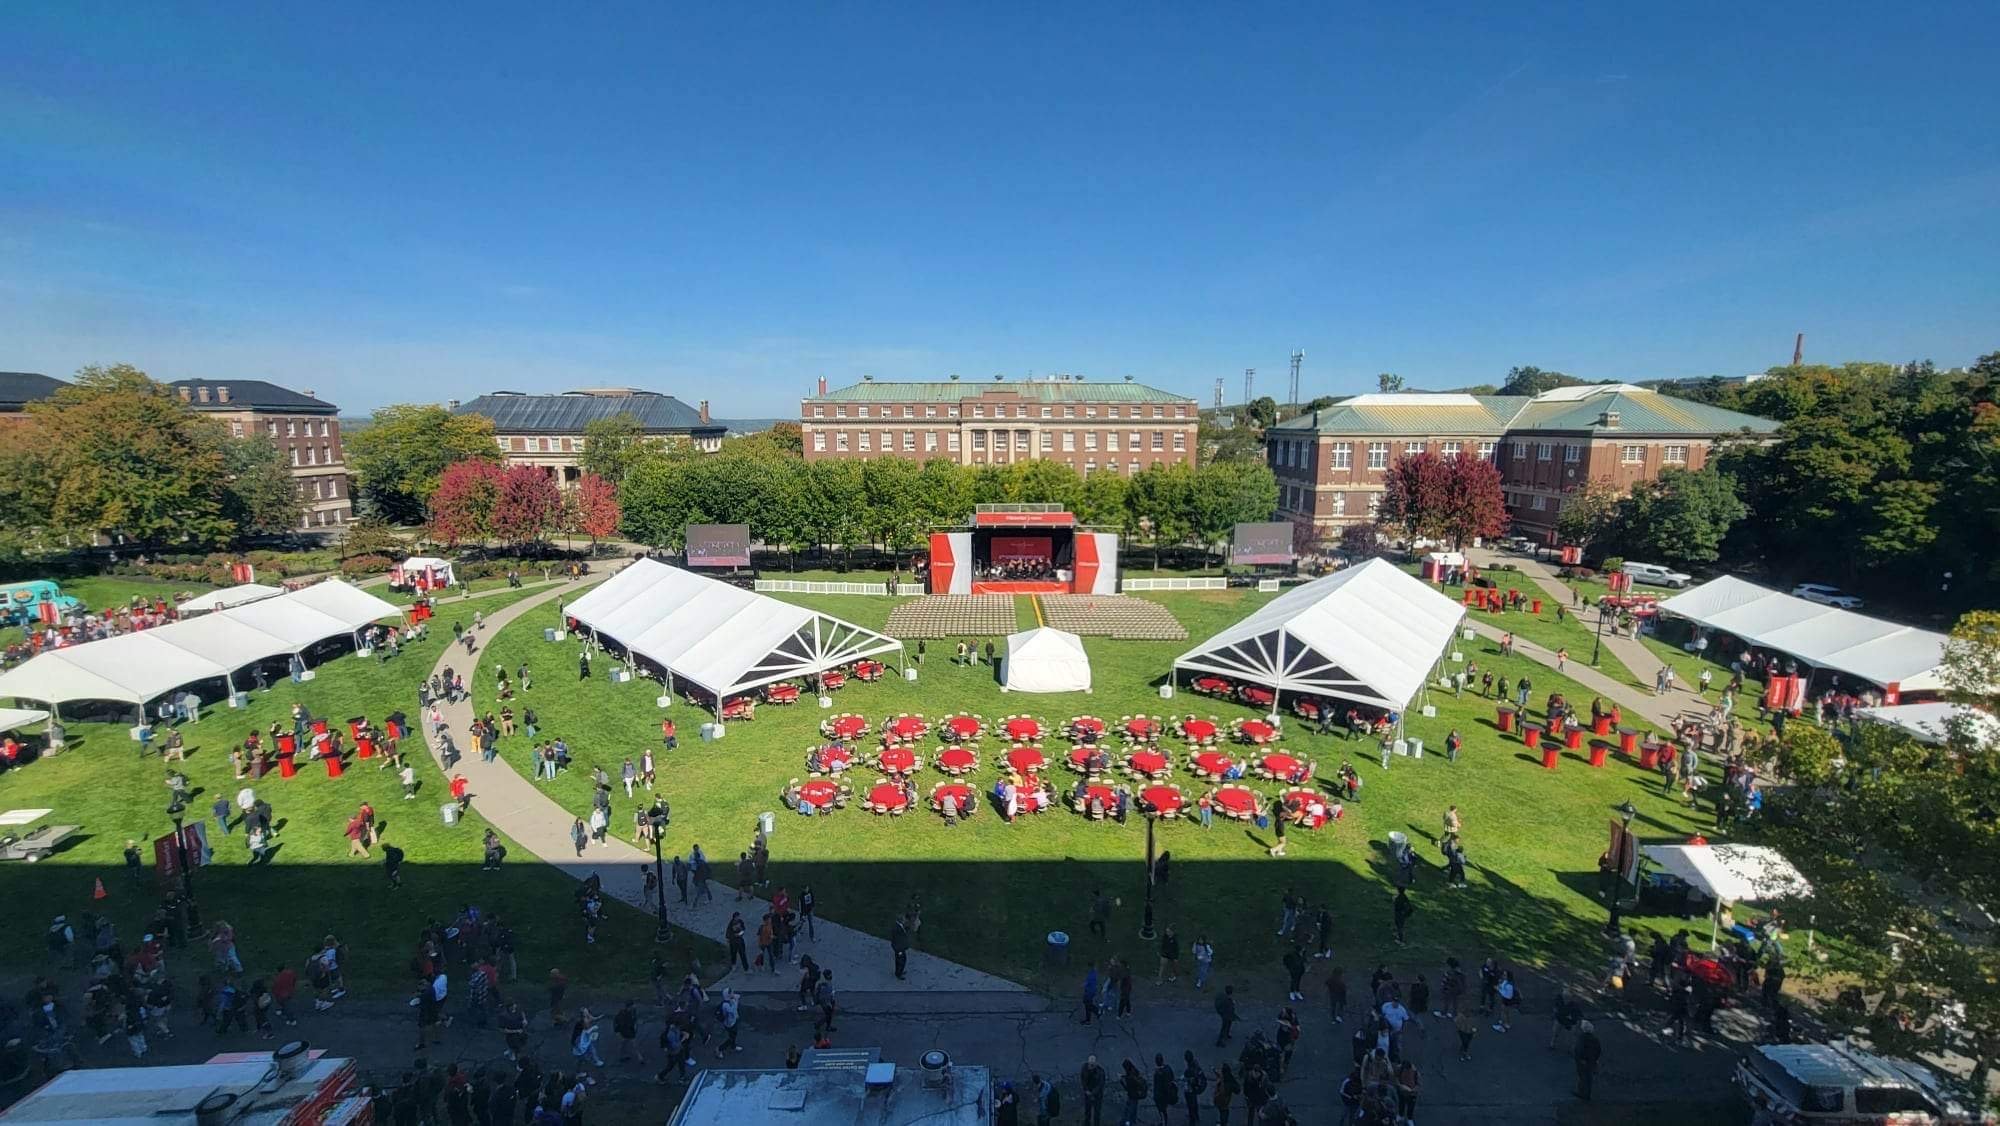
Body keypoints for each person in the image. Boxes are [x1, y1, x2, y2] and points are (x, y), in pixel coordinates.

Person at [1574, 1019, 1602, 1100]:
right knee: (1589, 1077)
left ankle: (1581, 1093)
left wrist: (1580, 1059)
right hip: (1591, 1061)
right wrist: (1595, 1059)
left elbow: (1579, 1050)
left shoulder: (1582, 1038)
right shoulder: (1595, 1039)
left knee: (1582, 1077)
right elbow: (1598, 1050)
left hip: (1583, 1061)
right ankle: (1588, 1094)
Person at [1079, 1054, 1107, 1126]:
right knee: (1087, 1111)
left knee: (1097, 1112)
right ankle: (1087, 1123)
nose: (1090, 1066)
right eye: (1090, 1064)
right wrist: (1086, 1090)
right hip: (1088, 1094)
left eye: (1092, 1065)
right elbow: (1082, 1080)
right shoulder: (1084, 1068)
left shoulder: (1100, 1072)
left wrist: (1092, 1093)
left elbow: (1101, 1084)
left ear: (1095, 1064)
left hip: (1097, 1095)